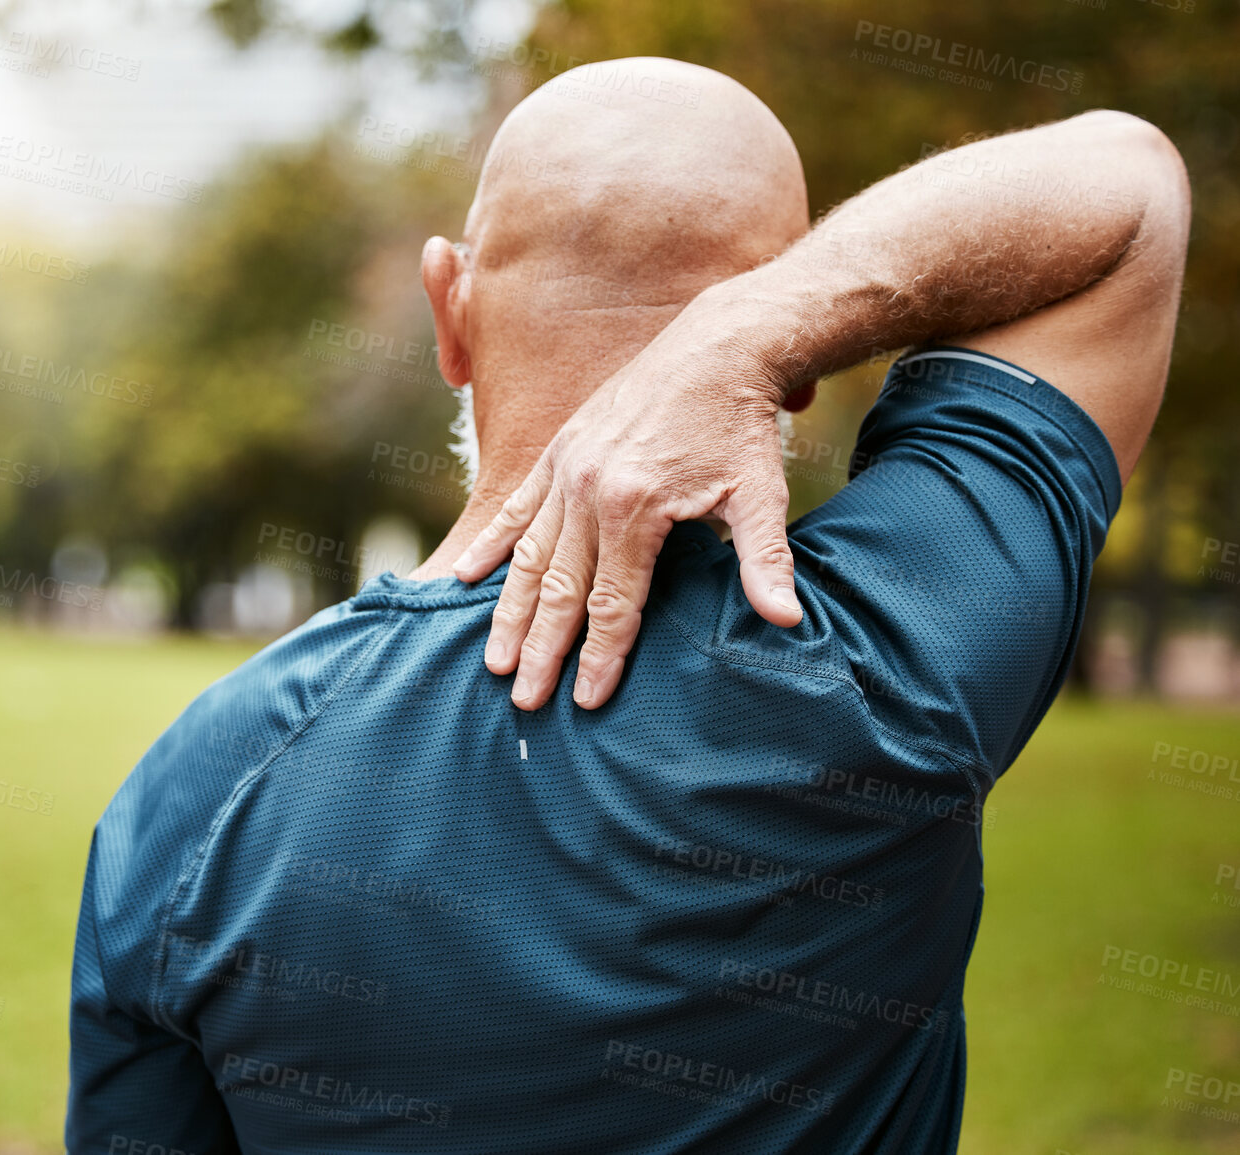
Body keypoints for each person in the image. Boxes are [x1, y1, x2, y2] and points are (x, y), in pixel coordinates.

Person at [66, 56, 1189, 1154]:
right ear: (805, 364)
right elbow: (1131, 191)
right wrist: (751, 327)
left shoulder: (196, 793)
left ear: (447, 312)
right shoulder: (893, 671)